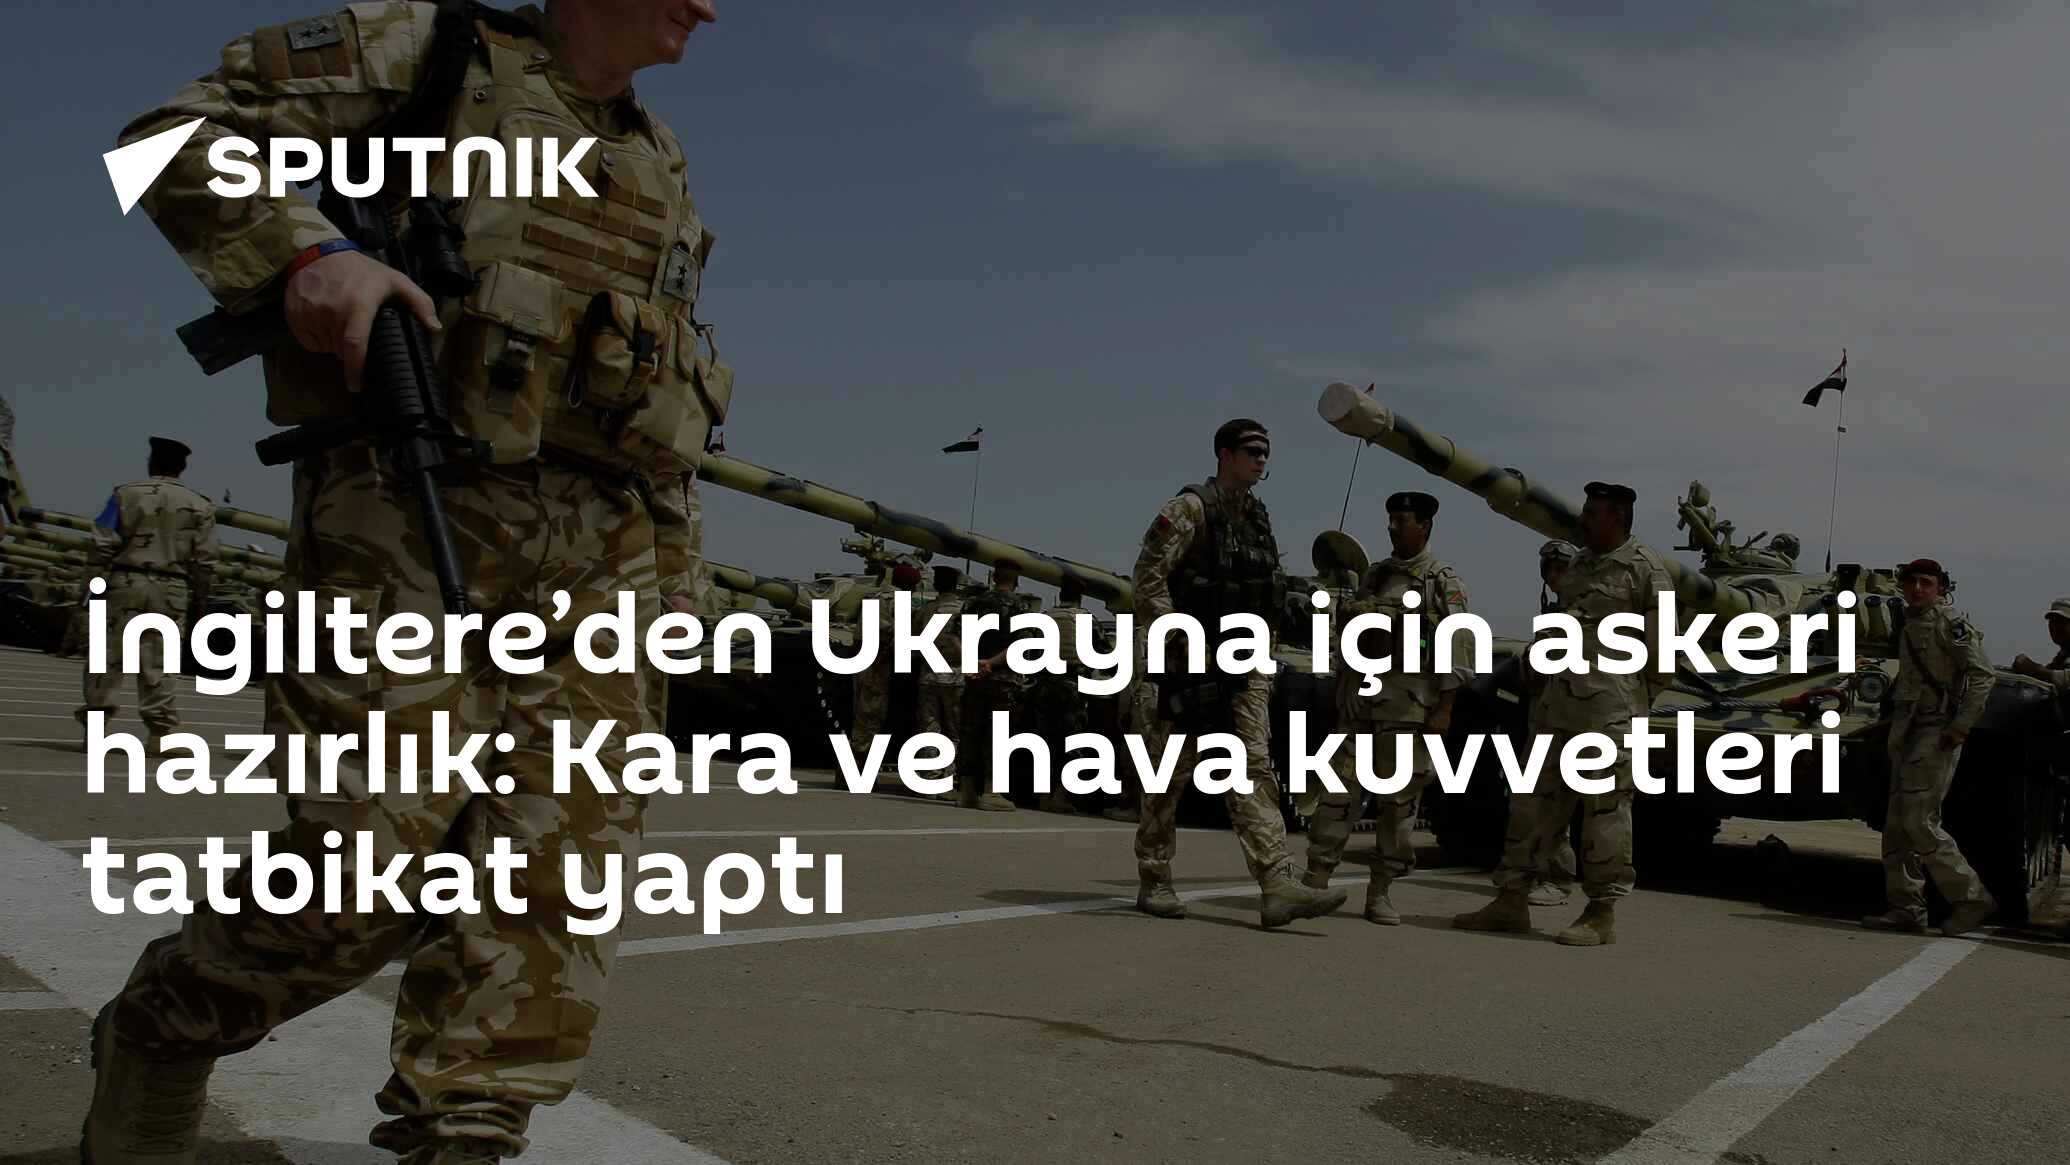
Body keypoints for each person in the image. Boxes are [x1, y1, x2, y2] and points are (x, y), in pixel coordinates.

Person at [87, 3, 724, 1162]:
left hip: (606, 558)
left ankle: (464, 1136)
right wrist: (309, 255)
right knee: (362, 874)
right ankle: (166, 1024)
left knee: (553, 891)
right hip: (409, 513)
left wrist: (676, 575)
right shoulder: (433, 54)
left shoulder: (659, 156)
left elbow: (665, 395)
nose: (712, 7)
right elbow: (160, 139)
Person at [1131, 419, 1346, 928]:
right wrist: (1184, 639)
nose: (1261, 459)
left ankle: (1277, 885)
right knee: (1166, 778)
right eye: (1251, 451)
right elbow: (1147, 582)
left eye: (1266, 452)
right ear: (1224, 455)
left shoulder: (1257, 517)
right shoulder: (1188, 510)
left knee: (1252, 770)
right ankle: (1154, 878)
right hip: (1183, 667)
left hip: (1242, 666)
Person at [1454, 482, 1673, 947]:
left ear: (1617, 517)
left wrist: (1627, 704)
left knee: (1604, 813)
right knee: (1529, 804)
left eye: (1592, 513)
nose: (1583, 520)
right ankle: (1511, 901)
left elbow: (1662, 658)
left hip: (1608, 716)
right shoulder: (1579, 564)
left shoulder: (1647, 571)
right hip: (1555, 709)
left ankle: (1600, 913)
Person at [1301, 491, 1470, 924]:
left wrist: (1445, 709)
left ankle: (1381, 891)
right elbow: (1348, 636)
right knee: (1337, 792)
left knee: (1398, 805)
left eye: (1402, 521)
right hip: (1361, 704)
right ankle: (1315, 880)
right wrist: (1343, 682)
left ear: (1424, 526)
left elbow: (1457, 648)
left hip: (1409, 709)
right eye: (1390, 519)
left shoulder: (1441, 581)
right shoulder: (1375, 575)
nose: (1392, 528)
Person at [1860, 558, 1997, 937]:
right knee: (1896, 826)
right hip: (1907, 731)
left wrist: (1961, 725)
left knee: (1920, 822)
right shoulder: (1910, 623)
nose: (1917, 589)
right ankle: (1905, 907)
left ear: (1940, 588)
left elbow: (1983, 675)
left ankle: (1972, 898)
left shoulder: (1949, 624)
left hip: (1936, 732)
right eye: (1911, 582)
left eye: (1926, 583)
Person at [75, 436, 218, 754]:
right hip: (171, 588)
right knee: (159, 662)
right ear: (182, 467)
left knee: (106, 657)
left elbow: (101, 542)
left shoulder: (124, 494)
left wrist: (88, 588)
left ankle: (95, 733)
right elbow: (205, 559)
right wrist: (200, 600)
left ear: (151, 462)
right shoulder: (201, 505)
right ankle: (159, 734)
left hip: (124, 582)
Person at [1527, 539, 1581, 907]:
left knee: (1564, 804)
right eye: (1550, 570)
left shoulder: (1586, 611)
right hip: (1545, 715)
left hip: (1574, 717)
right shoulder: (1554, 612)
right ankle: (1538, 872)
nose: (1554, 576)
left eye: (1562, 569)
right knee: (1539, 802)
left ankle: (1559, 880)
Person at [958, 557, 1024, 811]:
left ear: (994, 577)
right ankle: (991, 791)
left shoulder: (974, 602)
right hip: (1002, 680)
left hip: (974, 677)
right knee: (997, 734)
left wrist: (973, 662)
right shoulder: (1020, 607)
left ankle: (966, 792)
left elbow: (953, 635)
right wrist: (990, 664)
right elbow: (1020, 644)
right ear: (1016, 581)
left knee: (971, 731)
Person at [851, 559, 919, 759]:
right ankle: (859, 765)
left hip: (863, 661)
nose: (915, 590)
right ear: (907, 585)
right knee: (872, 716)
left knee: (860, 715)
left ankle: (851, 764)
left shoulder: (874, 596)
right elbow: (900, 639)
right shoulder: (899, 602)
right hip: (879, 664)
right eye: (913, 586)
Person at [917, 564, 969, 800]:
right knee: (954, 732)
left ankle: (930, 780)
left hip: (929, 676)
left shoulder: (927, 609)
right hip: (956, 676)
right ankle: (947, 782)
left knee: (930, 729)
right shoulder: (963, 610)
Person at [2010, 597, 2070, 692]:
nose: (2055, 627)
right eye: (2052, 621)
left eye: (2061, 621)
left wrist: (2033, 668)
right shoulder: (2062, 656)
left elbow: (2064, 679)